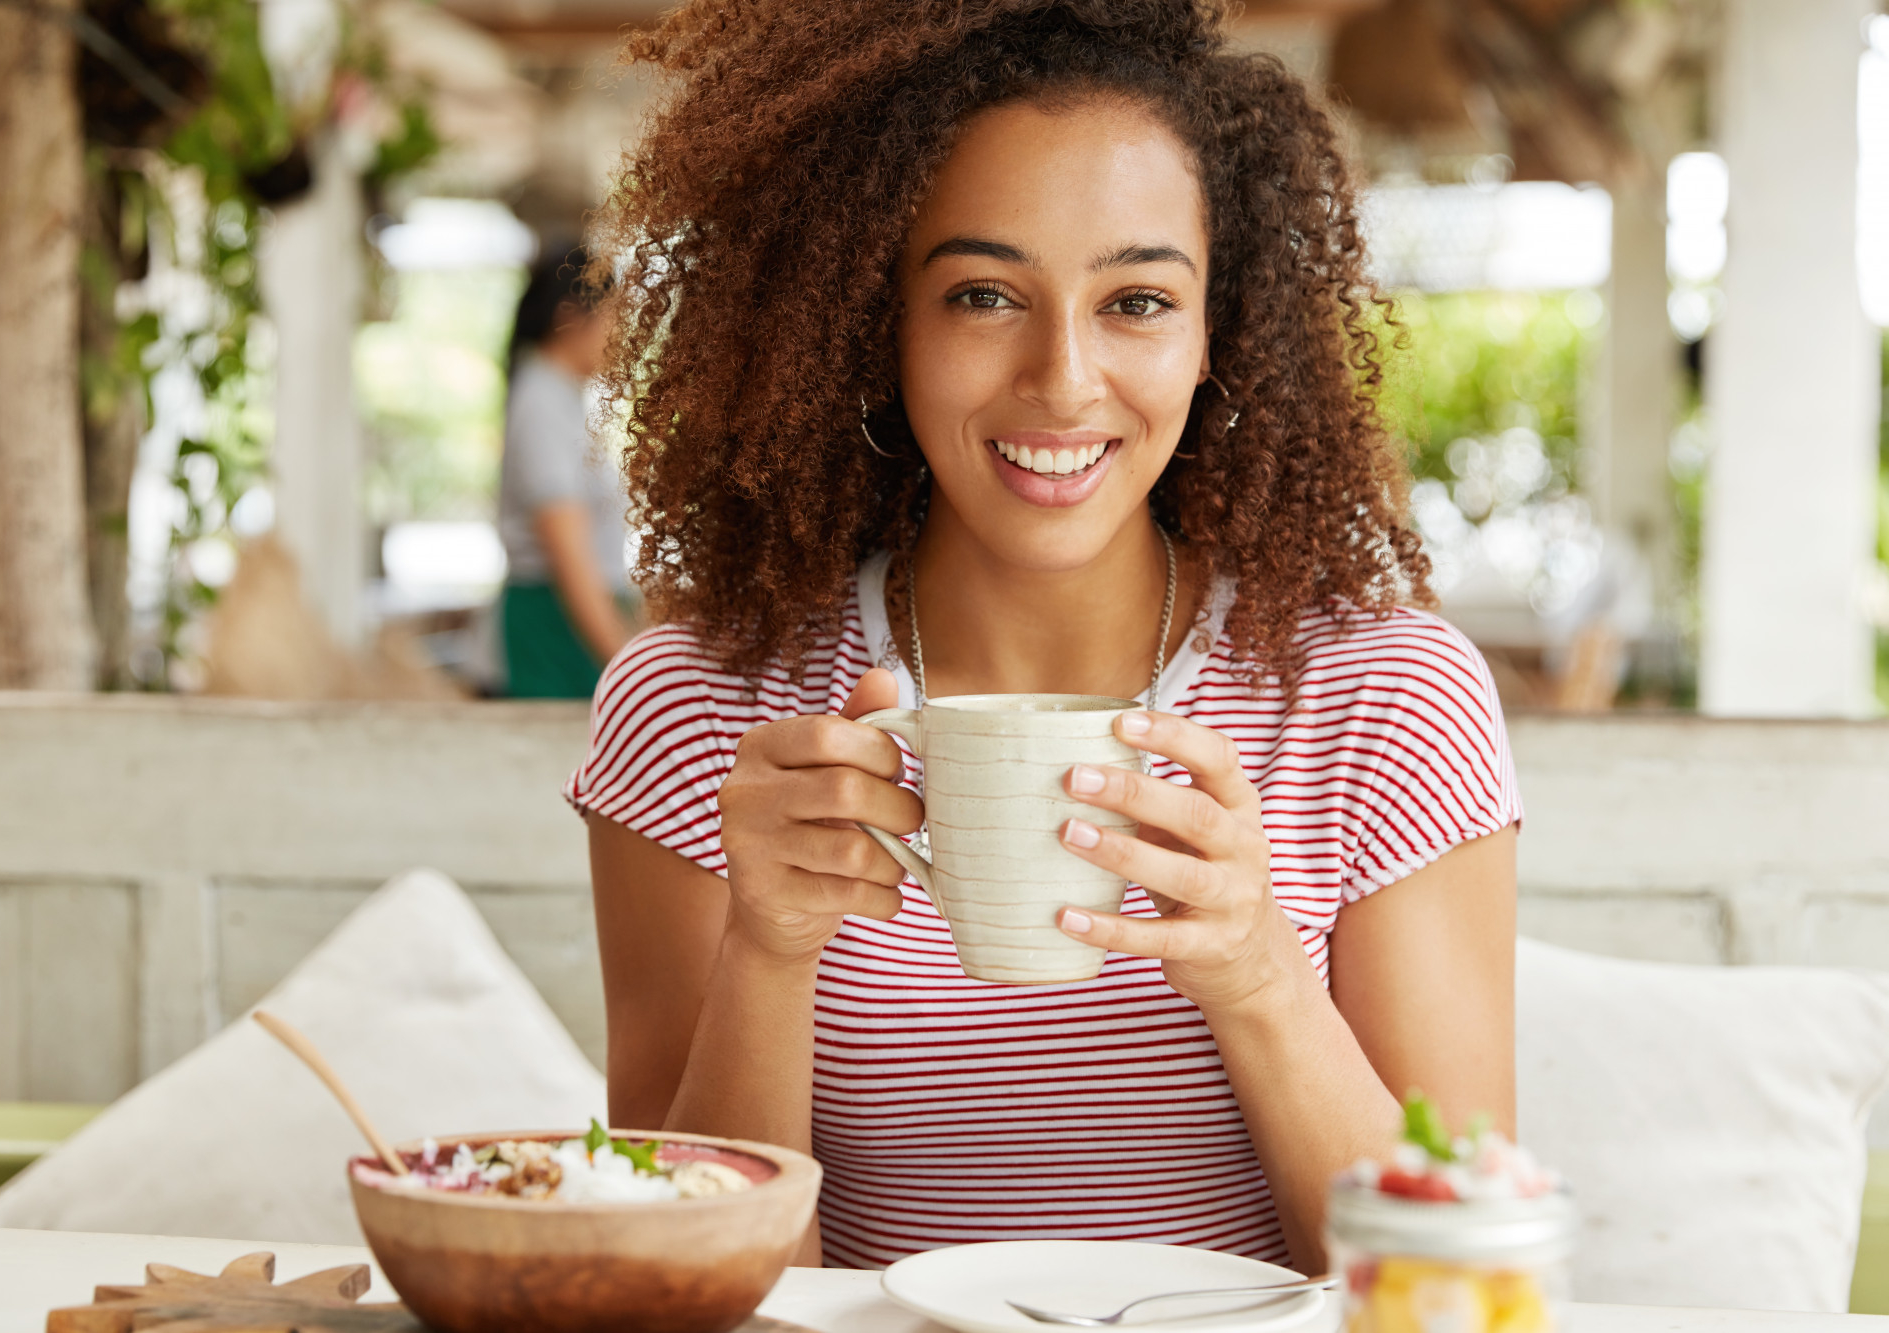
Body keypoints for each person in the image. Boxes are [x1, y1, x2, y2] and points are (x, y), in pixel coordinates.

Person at [570, 0, 1519, 1274]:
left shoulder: (1381, 700)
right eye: (980, 294)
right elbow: (678, 1282)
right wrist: (767, 953)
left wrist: (1259, 977)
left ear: (1212, 334)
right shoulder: (696, 709)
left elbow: (1455, 1283)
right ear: (872, 320)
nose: (1063, 380)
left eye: (1134, 300)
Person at [496, 247, 635, 698]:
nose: (621, 333)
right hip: (558, 623)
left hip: (573, 617)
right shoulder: (541, 403)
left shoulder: (560, 398)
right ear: (570, 316)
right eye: (613, 318)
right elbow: (569, 553)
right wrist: (628, 672)